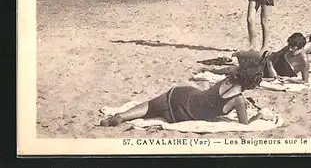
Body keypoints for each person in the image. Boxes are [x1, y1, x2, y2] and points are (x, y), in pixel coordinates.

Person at [100, 54, 266, 126]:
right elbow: (244, 125)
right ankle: (121, 117)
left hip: (180, 94)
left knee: (149, 106)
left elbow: (226, 70)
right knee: (154, 110)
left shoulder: (228, 78)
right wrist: (258, 116)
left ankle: (121, 116)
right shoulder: (239, 100)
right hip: (181, 116)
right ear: (253, 83)